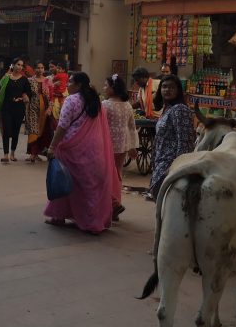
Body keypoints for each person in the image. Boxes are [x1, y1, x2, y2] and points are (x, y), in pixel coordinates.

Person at [44, 72, 118, 233]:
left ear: (78, 85)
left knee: (64, 181)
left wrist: (52, 147)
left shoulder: (71, 100)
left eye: (70, 82)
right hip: (95, 148)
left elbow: (62, 126)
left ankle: (60, 216)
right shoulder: (95, 100)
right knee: (90, 186)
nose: (67, 84)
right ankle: (94, 221)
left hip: (72, 147)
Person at [147, 74, 197, 202]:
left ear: (178, 91)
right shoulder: (168, 109)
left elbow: (185, 141)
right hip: (161, 162)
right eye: (164, 87)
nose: (167, 90)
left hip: (171, 165)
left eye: (171, 87)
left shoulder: (180, 109)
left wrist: (176, 168)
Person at [102, 74, 139, 220]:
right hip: (122, 144)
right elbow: (132, 127)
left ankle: (112, 204)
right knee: (117, 173)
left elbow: (100, 125)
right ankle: (116, 204)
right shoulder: (128, 105)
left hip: (108, 143)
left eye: (106, 86)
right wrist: (133, 146)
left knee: (106, 175)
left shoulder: (105, 105)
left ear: (113, 88)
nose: (104, 88)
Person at [0, 57, 30, 163]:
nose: (20, 67)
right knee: (6, 131)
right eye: (18, 64)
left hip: (19, 108)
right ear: (13, 65)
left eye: (22, 65)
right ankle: (6, 154)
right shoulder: (6, 78)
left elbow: (27, 92)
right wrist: (7, 74)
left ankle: (13, 153)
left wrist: (23, 97)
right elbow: (1, 88)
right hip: (6, 107)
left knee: (15, 131)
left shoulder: (24, 79)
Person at [24, 61, 54, 162]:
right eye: (38, 67)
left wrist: (50, 108)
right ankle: (33, 153)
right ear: (34, 69)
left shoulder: (48, 81)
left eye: (42, 68)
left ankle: (38, 153)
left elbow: (51, 96)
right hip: (33, 107)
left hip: (44, 109)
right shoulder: (29, 80)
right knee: (33, 130)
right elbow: (26, 93)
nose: (40, 70)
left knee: (43, 131)